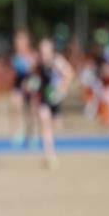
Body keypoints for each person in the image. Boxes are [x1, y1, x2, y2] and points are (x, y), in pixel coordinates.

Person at [27, 37, 75, 169]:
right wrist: (31, 84)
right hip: (43, 98)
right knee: (44, 123)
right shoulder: (37, 61)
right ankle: (49, 155)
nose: (43, 53)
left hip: (56, 98)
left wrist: (62, 88)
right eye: (41, 50)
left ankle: (49, 148)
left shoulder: (57, 61)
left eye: (46, 50)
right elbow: (32, 76)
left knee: (56, 125)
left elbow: (69, 74)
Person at [8, 30, 34, 145]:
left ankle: (31, 135)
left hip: (30, 86)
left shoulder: (32, 56)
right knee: (15, 107)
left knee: (30, 111)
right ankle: (17, 134)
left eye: (21, 41)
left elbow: (35, 73)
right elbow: (13, 73)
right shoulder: (15, 57)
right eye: (17, 42)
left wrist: (29, 83)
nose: (18, 44)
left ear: (26, 42)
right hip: (17, 85)